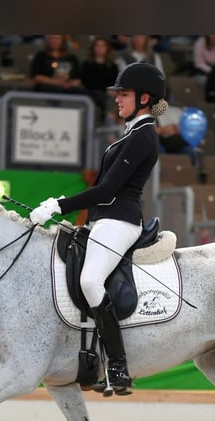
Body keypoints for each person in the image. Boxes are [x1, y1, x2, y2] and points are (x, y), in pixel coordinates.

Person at [29, 62, 168, 395]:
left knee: (90, 280)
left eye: (124, 94)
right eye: (117, 94)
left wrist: (58, 205)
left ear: (144, 98)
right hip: (103, 221)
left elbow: (107, 191)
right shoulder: (131, 133)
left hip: (120, 221)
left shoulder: (143, 136)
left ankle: (118, 366)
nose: (117, 99)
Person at [80, 36, 119, 123]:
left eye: (102, 46)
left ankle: (111, 125)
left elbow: (114, 82)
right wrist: (105, 90)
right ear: (93, 48)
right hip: (92, 93)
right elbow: (87, 82)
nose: (100, 48)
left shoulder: (113, 66)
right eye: (97, 45)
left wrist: (111, 90)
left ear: (107, 48)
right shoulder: (87, 65)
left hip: (108, 94)